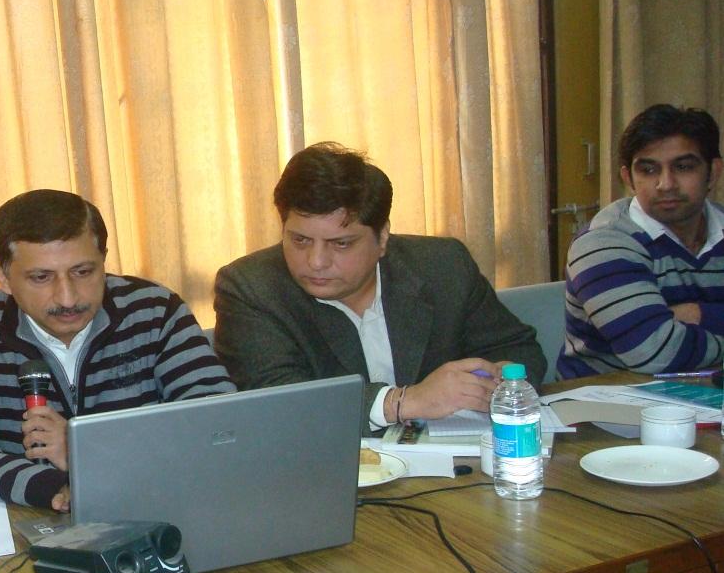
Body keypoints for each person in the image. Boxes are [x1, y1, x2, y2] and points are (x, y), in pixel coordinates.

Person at [0, 189, 234, 511]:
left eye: (83, 272)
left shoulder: (155, 312)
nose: (68, 298)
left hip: (156, 506)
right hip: (34, 519)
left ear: (104, 259)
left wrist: (88, 454)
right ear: (3, 277)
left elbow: (219, 425)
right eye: (41, 277)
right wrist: (54, 487)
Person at [213, 142, 545, 435]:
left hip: (451, 472)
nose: (315, 261)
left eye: (340, 244)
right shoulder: (251, 288)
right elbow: (280, 403)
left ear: (382, 238)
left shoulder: (443, 266)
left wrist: (499, 382)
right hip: (324, 476)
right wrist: (403, 402)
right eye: (299, 240)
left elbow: (519, 349)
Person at [559, 104, 724, 377]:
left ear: (713, 172)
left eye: (683, 167)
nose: (666, 184)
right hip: (609, 407)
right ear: (628, 178)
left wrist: (698, 314)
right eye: (648, 170)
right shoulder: (603, 241)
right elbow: (653, 353)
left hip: (709, 401)